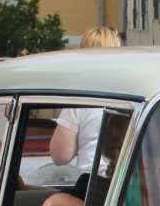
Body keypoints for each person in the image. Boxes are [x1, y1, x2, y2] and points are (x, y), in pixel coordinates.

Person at [50, 27, 122, 168]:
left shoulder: (81, 97)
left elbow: (60, 155)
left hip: (92, 181)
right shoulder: (134, 93)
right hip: (128, 180)